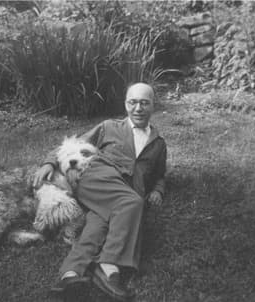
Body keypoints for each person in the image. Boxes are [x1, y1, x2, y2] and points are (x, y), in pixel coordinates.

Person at [33, 82, 167, 301]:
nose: (138, 108)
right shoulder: (109, 127)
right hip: (95, 174)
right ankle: (108, 266)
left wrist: (158, 190)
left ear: (153, 105)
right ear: (126, 105)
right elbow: (70, 146)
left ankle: (70, 274)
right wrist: (49, 163)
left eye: (145, 103)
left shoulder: (159, 144)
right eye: (133, 102)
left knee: (99, 223)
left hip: (122, 190)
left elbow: (160, 173)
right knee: (132, 204)